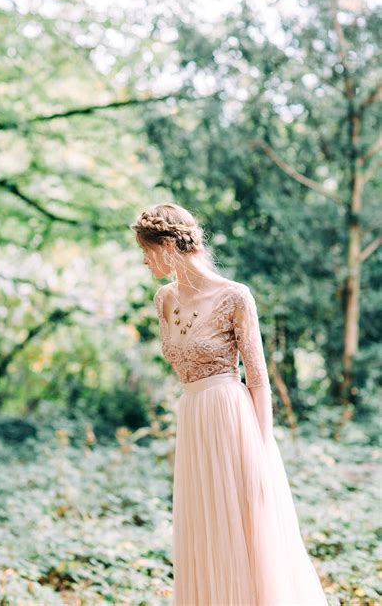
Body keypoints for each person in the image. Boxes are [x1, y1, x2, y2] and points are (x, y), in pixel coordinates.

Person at [130, 202, 328, 606]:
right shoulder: (163, 300)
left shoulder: (235, 296)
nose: (145, 261)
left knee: (243, 526)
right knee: (204, 527)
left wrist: (262, 448)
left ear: (168, 246)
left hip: (231, 417)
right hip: (194, 419)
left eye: (147, 251)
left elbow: (258, 380)